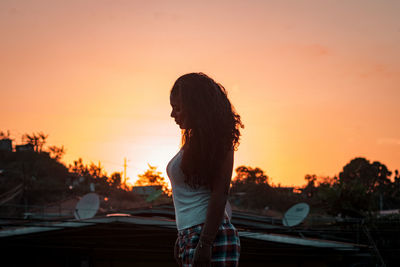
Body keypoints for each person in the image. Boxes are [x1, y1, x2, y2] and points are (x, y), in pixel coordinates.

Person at [166, 72, 244, 267]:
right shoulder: (193, 144)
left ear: (195, 107)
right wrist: (181, 235)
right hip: (190, 235)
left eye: (177, 108)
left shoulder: (220, 141)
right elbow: (189, 195)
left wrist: (205, 242)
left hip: (210, 237)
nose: (172, 115)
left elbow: (220, 193)